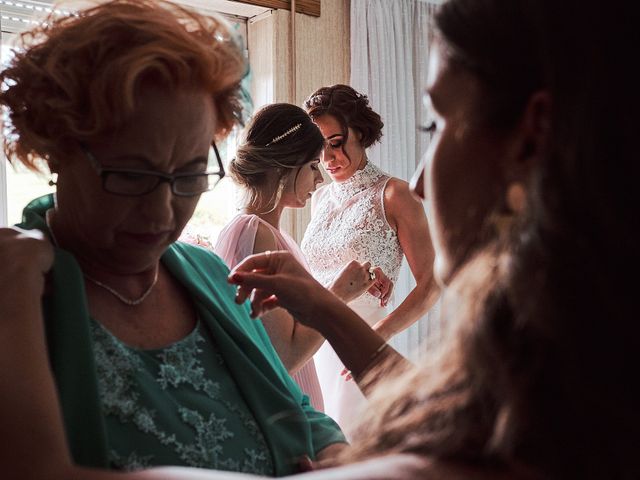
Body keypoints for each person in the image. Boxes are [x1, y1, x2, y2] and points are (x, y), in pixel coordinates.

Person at [229, 0, 640, 478]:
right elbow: (450, 418)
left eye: (437, 124)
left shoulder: (559, 391)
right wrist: (326, 307)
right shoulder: (553, 341)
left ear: (531, 138)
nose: (423, 179)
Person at [0, 1, 345, 477]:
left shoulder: (205, 273)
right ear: (57, 149)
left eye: (189, 175)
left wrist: (334, 452)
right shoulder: (18, 293)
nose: (162, 212)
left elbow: (294, 407)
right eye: (131, 175)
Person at [214, 103, 393, 411]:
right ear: (287, 166)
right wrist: (340, 294)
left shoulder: (267, 232)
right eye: (312, 166)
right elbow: (286, 356)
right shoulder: (256, 233)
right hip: (283, 408)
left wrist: (356, 283)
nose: (319, 179)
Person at [301, 84, 439, 434]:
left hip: (363, 341)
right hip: (313, 347)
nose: (328, 159)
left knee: (355, 446)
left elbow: (432, 283)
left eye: (336, 143)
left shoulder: (395, 194)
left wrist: (379, 336)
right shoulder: (319, 199)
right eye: (319, 150)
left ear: (360, 132)